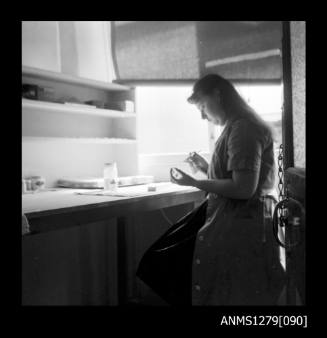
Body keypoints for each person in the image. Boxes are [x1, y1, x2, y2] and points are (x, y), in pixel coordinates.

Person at [170, 74, 285, 305]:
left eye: (203, 106)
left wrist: (195, 183)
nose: (203, 115)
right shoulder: (238, 125)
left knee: (238, 294)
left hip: (244, 225)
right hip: (243, 222)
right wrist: (206, 168)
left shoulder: (243, 128)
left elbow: (243, 188)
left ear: (218, 95)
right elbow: (235, 178)